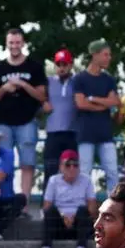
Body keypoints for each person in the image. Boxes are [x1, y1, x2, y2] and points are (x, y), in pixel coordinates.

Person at [0, 28, 48, 208]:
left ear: (23, 44)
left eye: (17, 42)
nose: (14, 46)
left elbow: (41, 96)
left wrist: (23, 84)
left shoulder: (34, 66)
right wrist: (4, 89)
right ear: (6, 45)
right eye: (11, 43)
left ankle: (24, 202)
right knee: (4, 164)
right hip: (3, 123)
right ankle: (6, 201)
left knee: (28, 164)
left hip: (27, 122)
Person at [73, 39, 120, 195]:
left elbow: (115, 101)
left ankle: (113, 206)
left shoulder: (109, 79)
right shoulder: (79, 78)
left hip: (105, 133)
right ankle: (85, 206)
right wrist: (103, 105)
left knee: (112, 171)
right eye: (105, 54)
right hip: (86, 133)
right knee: (85, 173)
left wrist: (93, 99)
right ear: (95, 55)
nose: (109, 58)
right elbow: (80, 103)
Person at [34, 150, 96, 248]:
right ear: (61, 166)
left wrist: (75, 216)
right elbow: (46, 206)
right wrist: (63, 216)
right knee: (50, 211)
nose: (72, 168)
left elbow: (92, 207)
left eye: (75, 165)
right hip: (60, 224)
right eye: (68, 165)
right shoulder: (53, 181)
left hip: (79, 224)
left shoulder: (86, 180)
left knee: (83, 210)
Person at [41, 49, 77, 192]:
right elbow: (38, 99)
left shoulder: (78, 82)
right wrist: (42, 103)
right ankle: (46, 208)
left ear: (71, 65)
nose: (62, 68)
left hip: (72, 133)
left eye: (65, 64)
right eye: (59, 64)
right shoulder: (48, 82)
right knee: (50, 170)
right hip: (53, 133)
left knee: (72, 171)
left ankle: (73, 206)